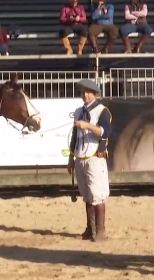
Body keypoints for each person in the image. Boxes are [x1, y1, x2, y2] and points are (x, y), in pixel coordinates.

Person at [67, 79, 112, 242]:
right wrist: (71, 157)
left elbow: (105, 132)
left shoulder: (102, 111)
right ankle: (90, 228)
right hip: (80, 155)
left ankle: (100, 230)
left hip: (94, 157)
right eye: (82, 92)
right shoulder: (78, 111)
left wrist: (87, 126)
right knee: (86, 194)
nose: (84, 95)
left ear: (94, 93)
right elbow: (74, 137)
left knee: (97, 194)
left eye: (87, 92)